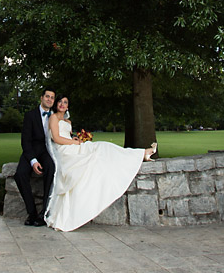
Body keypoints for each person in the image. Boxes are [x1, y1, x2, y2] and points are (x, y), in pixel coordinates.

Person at [44, 93, 157, 232]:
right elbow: (56, 138)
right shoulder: (53, 118)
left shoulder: (68, 122)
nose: (62, 104)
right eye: (60, 102)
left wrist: (75, 139)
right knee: (99, 149)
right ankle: (142, 153)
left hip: (71, 146)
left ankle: (141, 154)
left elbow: (67, 136)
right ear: (56, 104)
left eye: (65, 102)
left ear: (68, 106)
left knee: (104, 147)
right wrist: (76, 143)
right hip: (63, 151)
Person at [13, 87, 56, 226]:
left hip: (46, 152)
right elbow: (25, 141)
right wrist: (33, 161)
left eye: (52, 98)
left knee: (51, 168)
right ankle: (31, 213)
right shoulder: (30, 115)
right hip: (31, 151)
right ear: (41, 98)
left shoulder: (55, 116)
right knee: (20, 174)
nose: (49, 99)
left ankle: (43, 213)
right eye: (47, 96)